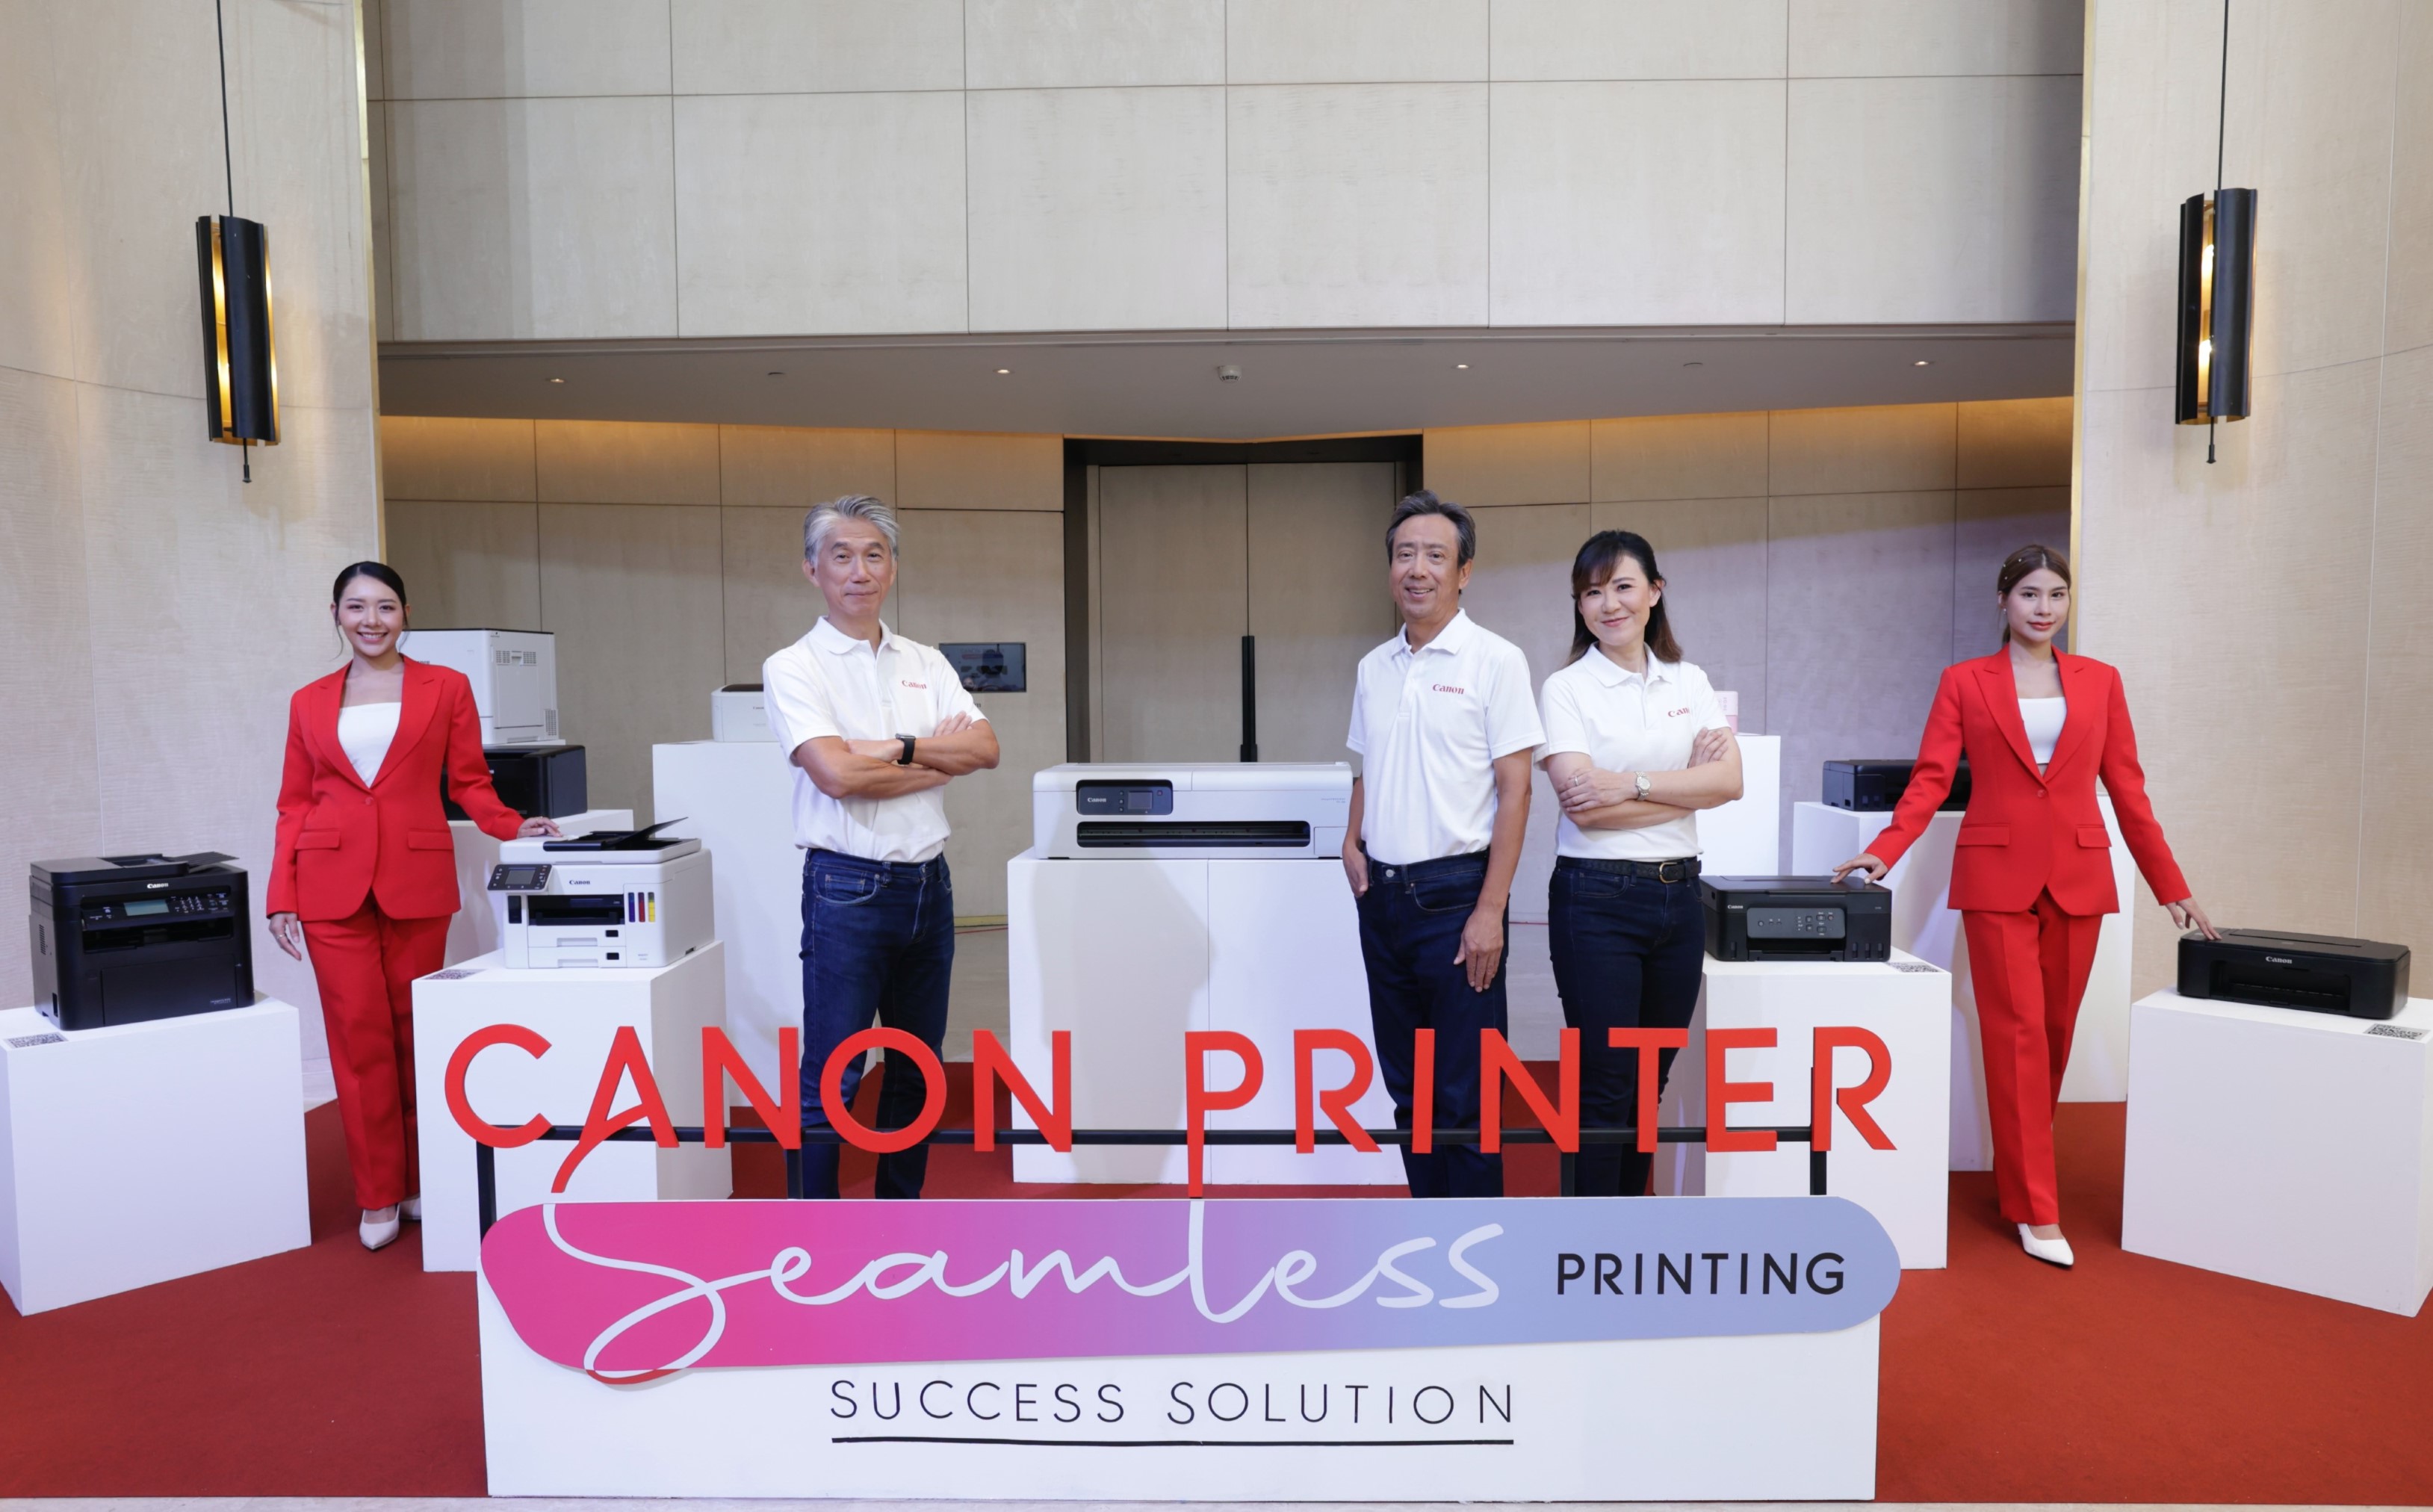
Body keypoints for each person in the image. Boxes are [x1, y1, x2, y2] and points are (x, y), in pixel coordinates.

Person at [1832, 543, 2218, 1268]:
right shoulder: (1963, 681)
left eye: (2056, 594)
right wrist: (1883, 850)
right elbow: (1929, 779)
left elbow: (2127, 790)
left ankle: (2020, 1166)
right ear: (2003, 600)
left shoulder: (2101, 681)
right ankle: (2037, 1207)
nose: (2044, 607)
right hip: (1996, 877)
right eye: (2029, 594)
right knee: (2014, 1036)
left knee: (2053, 1035)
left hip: (2079, 874)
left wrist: (2170, 885)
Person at [267, 563, 560, 1251]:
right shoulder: (308, 701)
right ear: (335, 615)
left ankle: (422, 1177)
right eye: (356, 607)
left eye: (385, 606)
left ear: (405, 614)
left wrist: (512, 824)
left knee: (412, 1034)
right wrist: (282, 893)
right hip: (328, 884)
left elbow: (470, 782)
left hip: (415, 879)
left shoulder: (445, 687)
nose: (370, 620)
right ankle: (378, 1193)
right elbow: (294, 804)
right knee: (357, 1040)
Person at [763, 495, 998, 1200]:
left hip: (930, 884)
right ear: (812, 569)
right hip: (846, 888)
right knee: (835, 1073)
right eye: (841, 556)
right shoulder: (795, 666)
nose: (859, 571)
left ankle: (899, 1215)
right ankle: (816, 1231)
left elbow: (984, 749)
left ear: (892, 568)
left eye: (874, 555)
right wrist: (932, 759)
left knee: (917, 1069)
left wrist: (890, 748)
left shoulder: (925, 660)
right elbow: (835, 776)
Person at [1343, 491, 1542, 1198]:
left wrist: (1490, 910)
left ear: (1463, 573)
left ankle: (1477, 1243)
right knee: (1408, 1091)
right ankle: (1427, 1229)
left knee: (1466, 1094)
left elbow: (1517, 791)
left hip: (1457, 899)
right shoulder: (1374, 667)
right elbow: (1368, 766)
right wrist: (1351, 840)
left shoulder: (1496, 660)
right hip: (1383, 899)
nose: (1416, 569)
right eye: (1404, 555)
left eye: (1434, 555)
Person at [1536, 531, 1742, 1197]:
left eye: (1623, 587)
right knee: (1604, 1081)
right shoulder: (1566, 688)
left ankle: (1630, 1231)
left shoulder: (1689, 681)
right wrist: (1684, 786)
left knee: (1650, 1079)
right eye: (1591, 592)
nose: (1608, 604)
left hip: (1679, 899)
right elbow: (1584, 810)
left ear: (1655, 592)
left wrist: (1628, 784)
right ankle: (1588, 1237)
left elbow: (1729, 782)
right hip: (1596, 899)